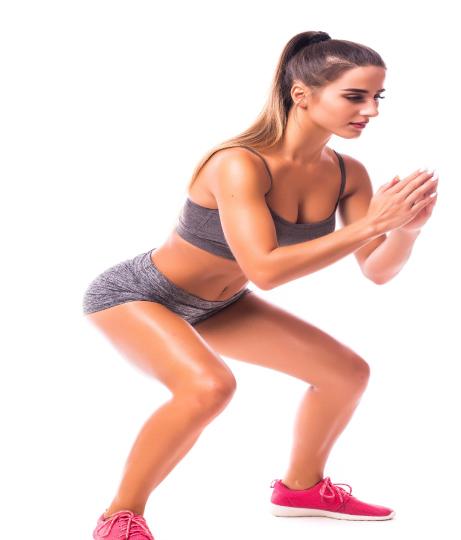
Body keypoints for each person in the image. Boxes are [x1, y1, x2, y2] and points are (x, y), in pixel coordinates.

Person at [82, 31, 437, 539]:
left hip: (221, 303)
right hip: (139, 293)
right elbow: (267, 269)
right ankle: (121, 515)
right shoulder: (238, 162)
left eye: (377, 97)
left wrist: (405, 231)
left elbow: (377, 269)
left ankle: (301, 488)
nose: (371, 111)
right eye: (356, 96)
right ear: (302, 95)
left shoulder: (347, 173)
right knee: (208, 388)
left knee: (346, 374)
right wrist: (372, 225)